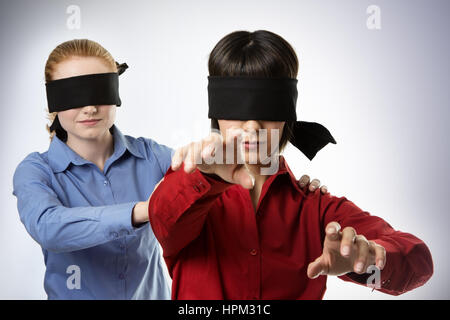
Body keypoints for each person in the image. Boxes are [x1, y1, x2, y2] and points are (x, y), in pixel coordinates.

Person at [12, 39, 326, 299]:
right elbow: (48, 227)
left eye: (99, 91)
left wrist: (291, 189)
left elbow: (217, 180)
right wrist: (148, 210)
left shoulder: (153, 156)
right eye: (74, 94)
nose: (90, 107)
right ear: (53, 102)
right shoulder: (36, 170)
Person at [147, 30, 434, 299]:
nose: (252, 125)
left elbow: (418, 261)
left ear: (287, 112)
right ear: (216, 112)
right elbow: (162, 222)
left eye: (267, 107)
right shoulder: (187, 193)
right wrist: (204, 175)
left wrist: (367, 259)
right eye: (236, 106)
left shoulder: (318, 209)